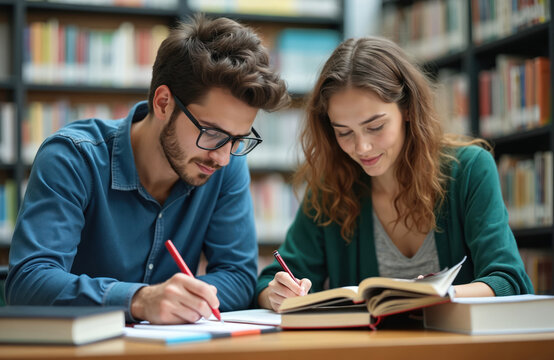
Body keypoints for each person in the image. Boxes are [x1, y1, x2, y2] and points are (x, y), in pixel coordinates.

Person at [6, 15, 289, 323]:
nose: (222, 157)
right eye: (212, 133)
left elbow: (238, 277)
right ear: (164, 103)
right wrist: (141, 300)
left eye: (237, 139)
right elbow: (28, 282)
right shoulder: (72, 158)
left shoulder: (226, 163)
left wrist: (175, 300)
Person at [256, 36, 533, 312]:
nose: (362, 147)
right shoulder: (332, 186)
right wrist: (277, 294)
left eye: (375, 126)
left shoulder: (470, 169)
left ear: (408, 110)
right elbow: (269, 282)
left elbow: (510, 281)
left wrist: (438, 294)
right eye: (344, 132)